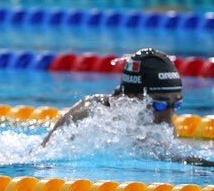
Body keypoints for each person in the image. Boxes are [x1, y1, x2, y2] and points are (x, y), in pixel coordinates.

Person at [41, 48, 183, 146]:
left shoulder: (163, 125)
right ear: (131, 96)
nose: (167, 118)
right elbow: (43, 156)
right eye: (159, 105)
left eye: (175, 105)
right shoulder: (88, 114)